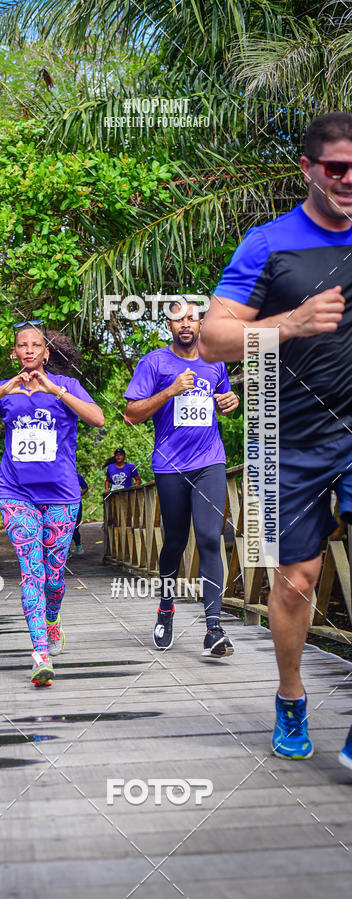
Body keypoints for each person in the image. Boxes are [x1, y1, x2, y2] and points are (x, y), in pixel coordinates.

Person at [198, 112, 352, 760]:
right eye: (337, 168)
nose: (348, 180)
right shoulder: (267, 244)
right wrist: (289, 322)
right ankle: (291, 697)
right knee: (295, 579)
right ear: (308, 170)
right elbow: (211, 338)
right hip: (283, 435)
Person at [0, 321, 104, 686]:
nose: (28, 350)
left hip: (61, 495)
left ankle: (52, 621)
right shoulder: (4, 391)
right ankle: (39, 652)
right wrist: (1, 391)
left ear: (46, 351)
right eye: (21, 345)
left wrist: (55, 390)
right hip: (16, 494)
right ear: (15, 352)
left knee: (54, 577)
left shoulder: (66, 386)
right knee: (31, 572)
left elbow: (98, 419)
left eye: (35, 345)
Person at [124, 300, 239, 657]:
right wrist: (170, 391)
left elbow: (221, 399)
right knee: (175, 540)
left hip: (210, 461)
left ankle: (214, 628)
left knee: (208, 537)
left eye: (192, 317)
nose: (185, 324)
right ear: (169, 325)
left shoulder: (215, 361)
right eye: (178, 319)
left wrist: (228, 402)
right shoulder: (154, 363)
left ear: (202, 323)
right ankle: (166, 607)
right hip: (170, 465)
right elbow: (131, 415)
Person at [71, 473, 88, 554]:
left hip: (77, 505)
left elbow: (85, 487)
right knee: (64, 528)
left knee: (75, 527)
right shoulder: (60, 474)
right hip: (63, 506)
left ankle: (78, 545)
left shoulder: (77, 476)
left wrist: (78, 495)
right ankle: (66, 551)